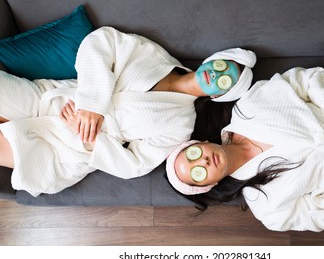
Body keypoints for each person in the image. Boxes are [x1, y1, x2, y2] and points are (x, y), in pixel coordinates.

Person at [0, 26, 256, 197]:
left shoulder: (181, 126)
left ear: (220, 94)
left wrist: (89, 137)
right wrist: (92, 104)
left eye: (225, 81)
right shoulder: (155, 56)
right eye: (223, 66)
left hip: (68, 148)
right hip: (53, 100)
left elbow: (132, 166)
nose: (217, 74)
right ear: (214, 58)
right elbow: (100, 41)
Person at [166, 66, 324, 232]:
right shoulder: (267, 208)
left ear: (201, 143)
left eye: (193, 155)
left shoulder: (249, 106)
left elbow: (307, 79)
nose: (203, 162)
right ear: (209, 185)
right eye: (198, 173)